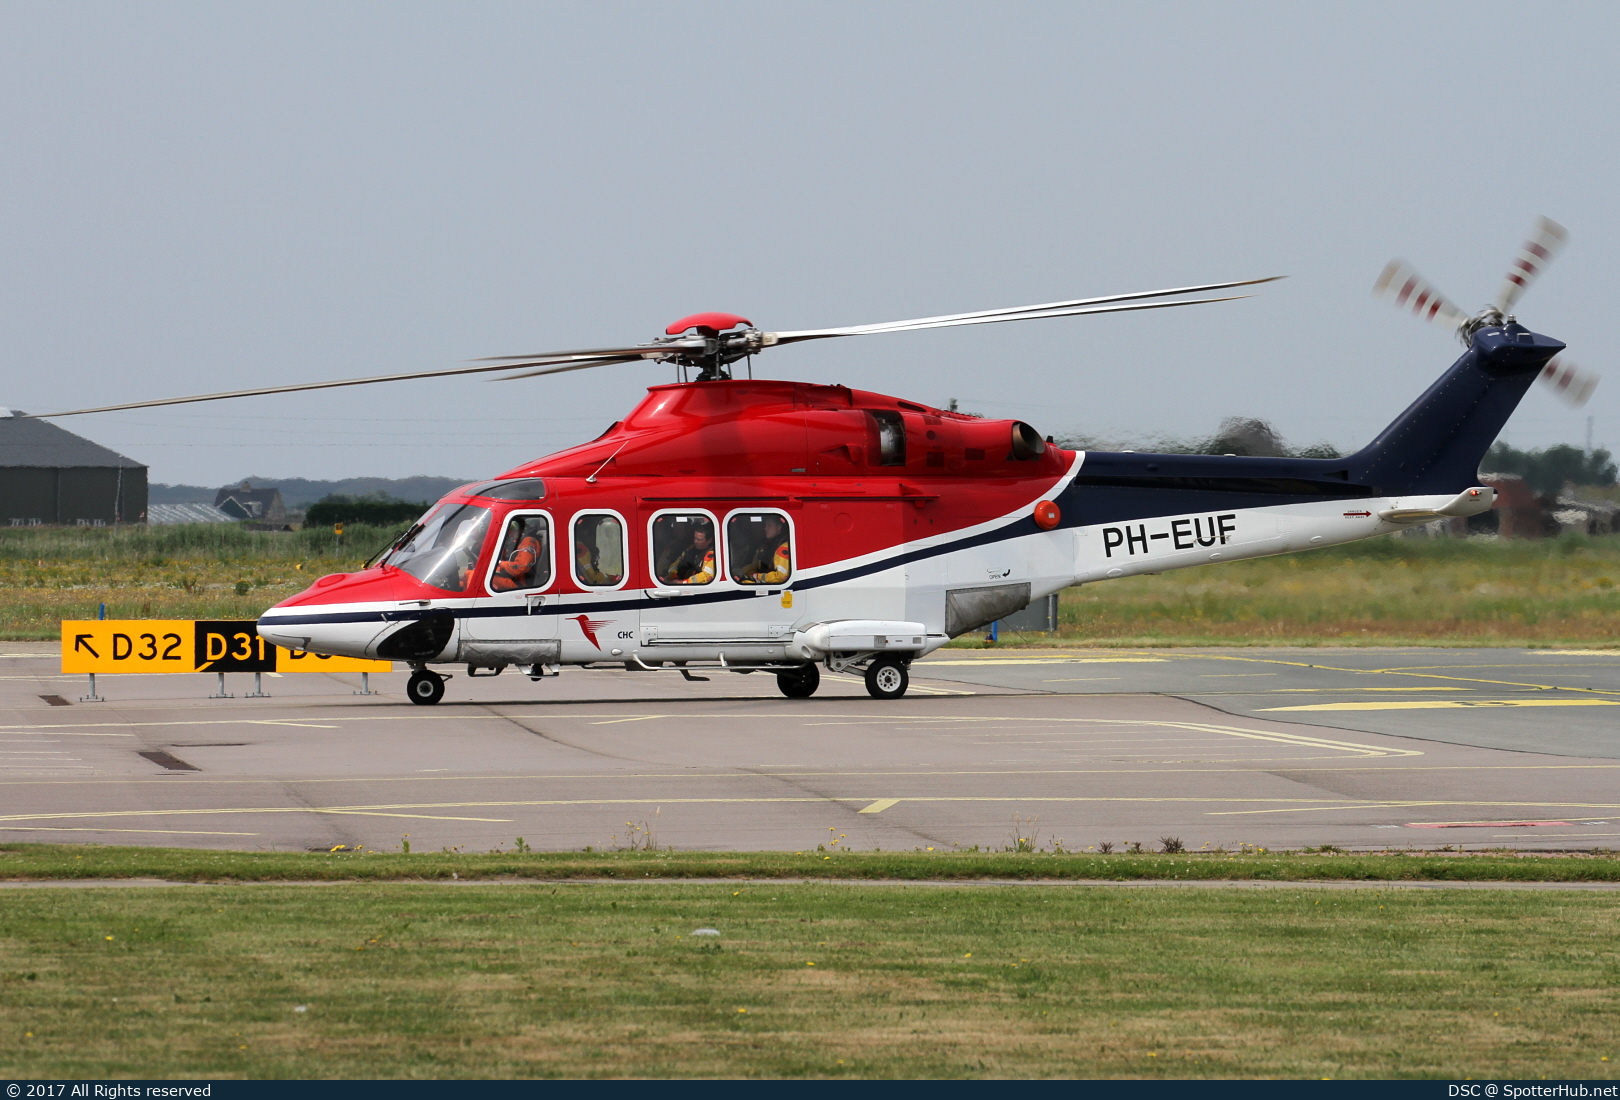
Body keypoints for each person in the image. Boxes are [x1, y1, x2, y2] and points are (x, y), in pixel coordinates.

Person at [491, 519, 545, 592]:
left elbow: (521, 567)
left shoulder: (528, 541)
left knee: (479, 577)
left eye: (509, 531)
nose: (508, 534)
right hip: (513, 576)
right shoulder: (516, 541)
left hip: (520, 583)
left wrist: (500, 563)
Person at [742, 515, 791, 584]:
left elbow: (781, 577)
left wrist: (757, 576)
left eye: (769, 525)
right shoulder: (765, 545)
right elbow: (755, 566)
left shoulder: (783, 548)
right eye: (765, 525)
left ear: (779, 527)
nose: (765, 528)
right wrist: (744, 573)